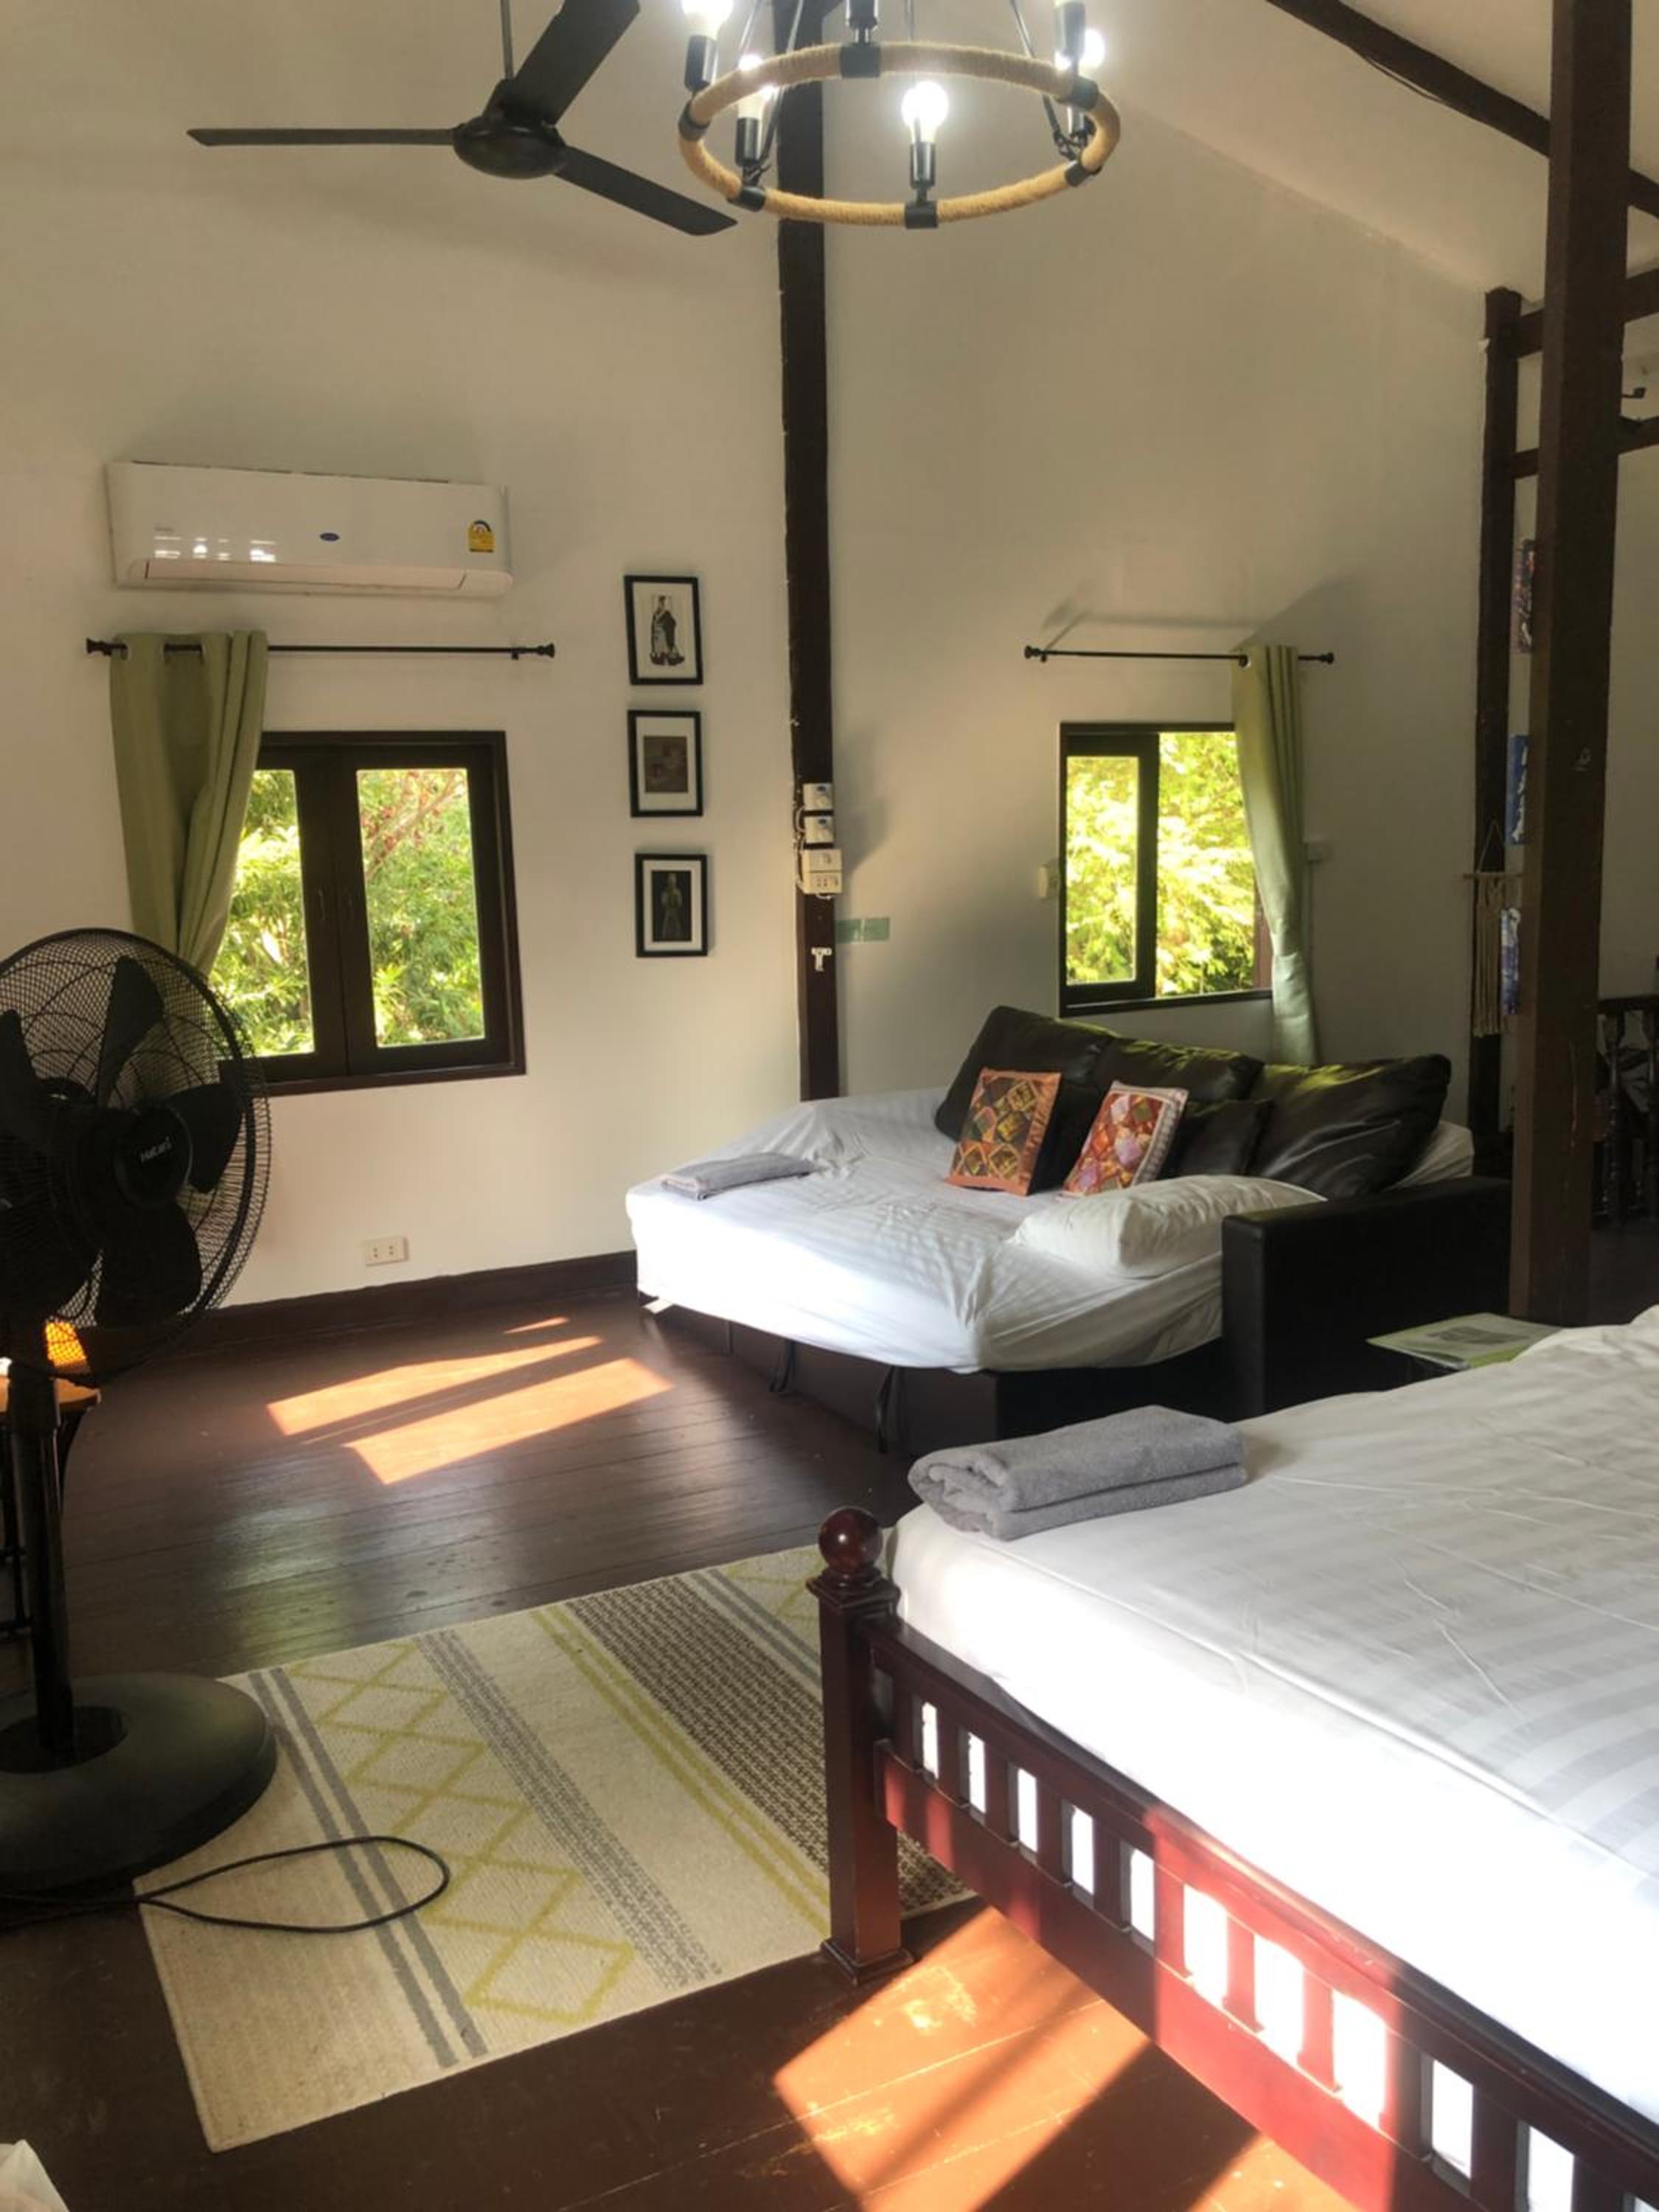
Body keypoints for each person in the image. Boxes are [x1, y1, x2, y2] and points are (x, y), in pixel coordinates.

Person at [650, 594, 684, 668]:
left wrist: (663, 625)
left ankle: (670, 661)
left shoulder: (667, 614)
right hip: (657, 636)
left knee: (667, 650)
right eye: (660, 603)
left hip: (664, 635)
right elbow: (653, 626)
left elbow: (673, 623)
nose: (660, 605)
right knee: (659, 652)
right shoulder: (655, 614)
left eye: (662, 603)